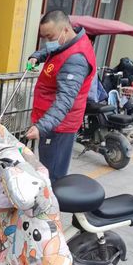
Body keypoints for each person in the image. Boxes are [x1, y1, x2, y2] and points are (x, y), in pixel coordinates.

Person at [25, 10, 96, 182]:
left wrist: (42, 127)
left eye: (50, 37)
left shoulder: (76, 60)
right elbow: (51, 51)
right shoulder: (66, 42)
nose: (47, 42)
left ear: (65, 29)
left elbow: (64, 101)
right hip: (50, 120)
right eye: (44, 38)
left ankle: (52, 198)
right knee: (45, 167)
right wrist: (37, 56)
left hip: (59, 126)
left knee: (53, 175)